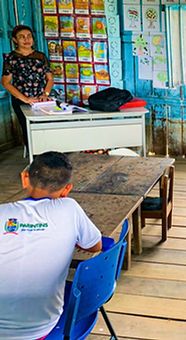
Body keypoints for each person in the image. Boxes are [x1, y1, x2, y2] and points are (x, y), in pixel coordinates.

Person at [0, 151, 102, 340]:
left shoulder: (2, 212)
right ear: (66, 190)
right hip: (42, 329)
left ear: (25, 178)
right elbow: (95, 246)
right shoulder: (69, 208)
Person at [1, 25, 54, 149]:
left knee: (46, 126)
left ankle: (48, 153)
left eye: (29, 36)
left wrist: (45, 95)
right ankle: (34, 157)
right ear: (15, 40)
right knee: (28, 128)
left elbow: (50, 79)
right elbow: (5, 82)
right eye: (22, 37)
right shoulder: (11, 58)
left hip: (41, 100)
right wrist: (25, 99)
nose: (26, 39)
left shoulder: (40, 56)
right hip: (21, 100)